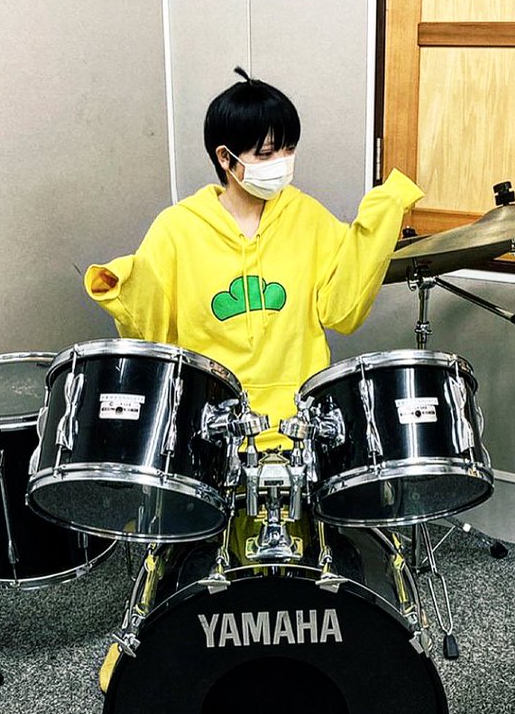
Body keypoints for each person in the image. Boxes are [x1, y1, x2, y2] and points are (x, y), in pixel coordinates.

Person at [85, 67, 423, 448]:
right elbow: (152, 331)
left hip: (300, 425)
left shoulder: (307, 216)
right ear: (225, 158)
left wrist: (386, 210)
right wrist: (122, 286)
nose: (283, 161)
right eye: (266, 153)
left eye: (289, 149)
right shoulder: (177, 228)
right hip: (212, 429)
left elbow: (342, 310)